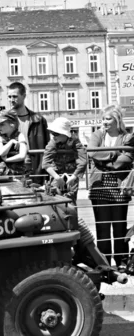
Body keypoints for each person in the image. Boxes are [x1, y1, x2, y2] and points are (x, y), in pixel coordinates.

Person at [88, 105, 134, 271]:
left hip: (119, 186)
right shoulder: (97, 134)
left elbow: (125, 159)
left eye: (108, 119)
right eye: (103, 119)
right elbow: (92, 152)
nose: (104, 122)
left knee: (119, 226)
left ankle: (122, 261)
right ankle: (104, 263)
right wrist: (114, 154)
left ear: (117, 120)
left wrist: (105, 161)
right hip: (99, 186)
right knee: (102, 227)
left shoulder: (127, 137)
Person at [0, 82, 49, 178]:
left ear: (24, 96)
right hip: (8, 167)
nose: (11, 100)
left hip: (33, 166)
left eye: (15, 96)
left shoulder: (38, 119)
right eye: (9, 97)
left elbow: (47, 145)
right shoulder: (4, 120)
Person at [42, 117, 86, 204]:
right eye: (52, 133)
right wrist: (57, 177)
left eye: (56, 133)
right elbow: (45, 163)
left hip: (72, 174)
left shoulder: (75, 140)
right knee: (55, 199)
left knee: (71, 200)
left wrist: (74, 176)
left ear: (64, 134)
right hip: (56, 174)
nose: (53, 135)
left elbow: (83, 160)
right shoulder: (52, 142)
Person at [0, 109, 30, 176]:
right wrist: (11, 142)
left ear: (12, 124)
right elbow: (1, 152)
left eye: (2, 124)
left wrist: (7, 160)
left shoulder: (20, 135)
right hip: (2, 172)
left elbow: (22, 155)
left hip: (18, 171)